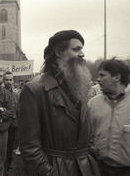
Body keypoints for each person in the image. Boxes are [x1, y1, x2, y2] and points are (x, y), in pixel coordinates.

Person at [19, 30, 100, 176]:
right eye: (76, 49)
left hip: (84, 168)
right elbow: (30, 147)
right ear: (58, 51)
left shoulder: (80, 86)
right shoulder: (34, 89)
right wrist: (49, 173)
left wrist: (91, 158)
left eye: (82, 49)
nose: (82, 54)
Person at [88, 59, 130, 176]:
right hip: (100, 168)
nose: (98, 79)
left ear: (116, 77)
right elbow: (88, 134)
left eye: (102, 75)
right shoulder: (93, 104)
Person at [3, 71, 20, 175]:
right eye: (7, 79)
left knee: (10, 149)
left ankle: (7, 168)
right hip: (1, 125)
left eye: (10, 79)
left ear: (13, 81)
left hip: (13, 125)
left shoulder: (16, 94)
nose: (9, 82)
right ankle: (1, 167)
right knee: (1, 149)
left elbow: (19, 109)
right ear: (3, 81)